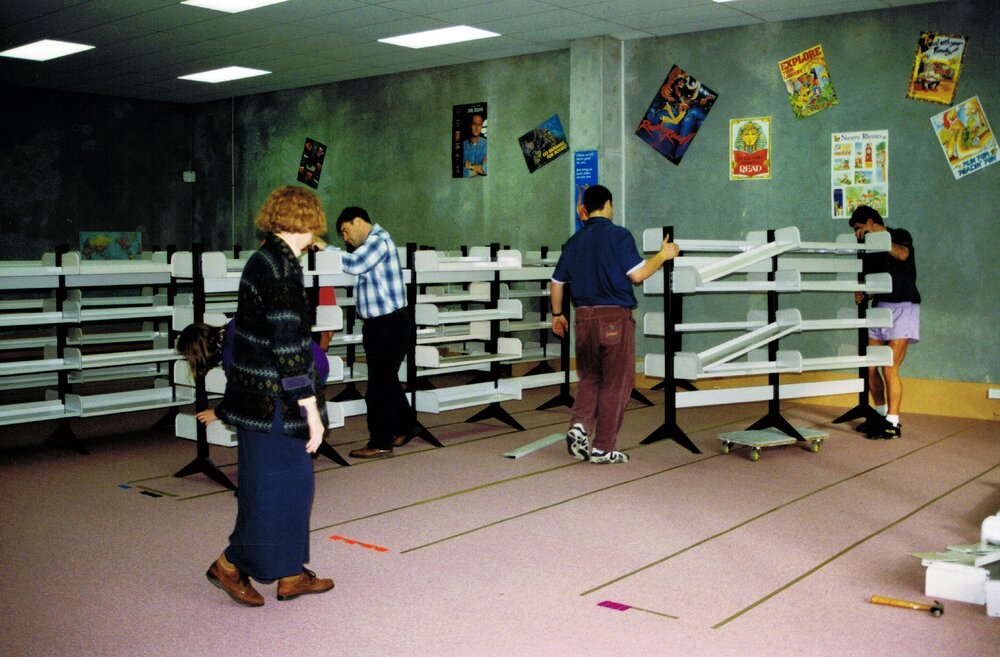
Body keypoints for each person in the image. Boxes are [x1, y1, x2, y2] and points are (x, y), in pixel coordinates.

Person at [203, 185, 335, 607]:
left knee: (288, 489)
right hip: (273, 403)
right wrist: (311, 409)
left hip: (258, 400)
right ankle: (229, 564)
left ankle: (291, 574)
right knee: (274, 491)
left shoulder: (265, 259)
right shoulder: (278, 268)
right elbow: (289, 345)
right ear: (307, 221)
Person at [550, 185, 680, 464]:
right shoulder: (619, 235)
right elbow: (638, 275)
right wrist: (663, 254)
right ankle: (603, 448)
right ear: (608, 205)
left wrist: (557, 314)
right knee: (617, 382)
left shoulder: (574, 241)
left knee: (590, 377)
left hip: (582, 317)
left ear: (585, 208)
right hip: (614, 319)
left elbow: (557, 282)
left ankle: (580, 425)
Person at [335, 206, 418, 458]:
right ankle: (407, 426)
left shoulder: (379, 241)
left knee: (378, 388)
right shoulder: (372, 244)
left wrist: (325, 251)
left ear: (358, 221)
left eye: (345, 231)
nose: (345, 238)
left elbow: (356, 264)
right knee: (387, 381)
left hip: (388, 325)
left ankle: (380, 442)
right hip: (381, 325)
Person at [849, 205, 920, 440]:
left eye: (859, 229)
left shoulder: (899, 235)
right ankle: (880, 416)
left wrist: (877, 238)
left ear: (870, 222)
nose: (857, 234)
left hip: (903, 308)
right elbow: (876, 281)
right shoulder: (869, 249)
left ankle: (893, 422)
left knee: (890, 368)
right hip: (880, 308)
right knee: (870, 368)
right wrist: (865, 294)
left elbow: (902, 255)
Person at [176, 320, 330, 425]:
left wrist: (217, 413)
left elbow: (240, 395)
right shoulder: (234, 324)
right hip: (317, 360)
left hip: (305, 374)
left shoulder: (231, 356)